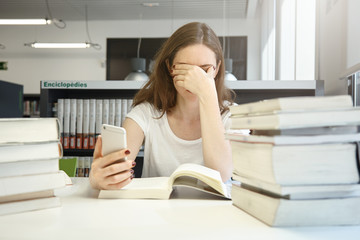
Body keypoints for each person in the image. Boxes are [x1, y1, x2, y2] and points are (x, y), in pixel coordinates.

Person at [89, 22, 235, 190]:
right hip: (154, 213)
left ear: (216, 70)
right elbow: (110, 173)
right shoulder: (145, 114)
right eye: (184, 69)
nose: (193, 79)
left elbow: (221, 175)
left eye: (204, 70)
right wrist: (97, 178)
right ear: (169, 67)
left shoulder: (233, 116)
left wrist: (207, 95)